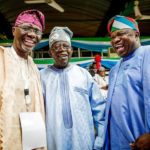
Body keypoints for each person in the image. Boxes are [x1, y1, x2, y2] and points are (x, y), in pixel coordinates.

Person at [40, 27, 106, 150]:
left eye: (66, 46)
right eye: (56, 46)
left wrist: (100, 139)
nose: (62, 50)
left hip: (83, 141)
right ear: (50, 52)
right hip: (53, 142)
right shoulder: (41, 77)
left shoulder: (83, 74)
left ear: (71, 50)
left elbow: (99, 109)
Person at [0, 10, 46, 150]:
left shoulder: (33, 65)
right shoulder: (2, 58)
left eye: (37, 31)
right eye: (26, 28)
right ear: (14, 31)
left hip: (32, 140)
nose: (32, 34)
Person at [103, 15, 150, 150]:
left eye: (121, 34)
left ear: (136, 34)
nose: (115, 40)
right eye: (112, 37)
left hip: (141, 142)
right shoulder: (114, 69)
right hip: (117, 142)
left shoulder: (147, 54)